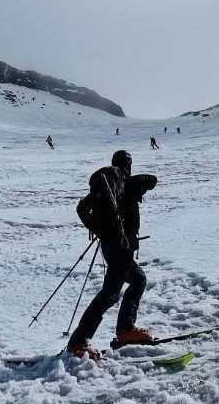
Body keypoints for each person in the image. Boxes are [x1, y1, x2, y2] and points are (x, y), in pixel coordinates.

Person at [66, 150, 157, 358]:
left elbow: (82, 208)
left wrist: (99, 229)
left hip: (112, 245)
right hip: (120, 247)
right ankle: (78, 342)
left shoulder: (110, 184)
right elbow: (152, 181)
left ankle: (125, 330)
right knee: (110, 294)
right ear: (128, 164)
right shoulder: (123, 184)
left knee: (138, 279)